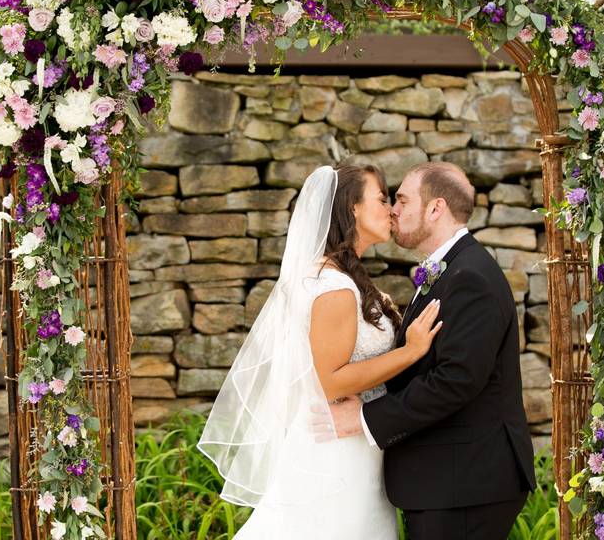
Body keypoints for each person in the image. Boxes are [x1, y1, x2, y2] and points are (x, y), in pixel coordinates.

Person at [198, 164, 441, 540]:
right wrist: (410, 353)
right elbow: (329, 381)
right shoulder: (334, 287)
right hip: (334, 454)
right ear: (353, 208)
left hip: (354, 446)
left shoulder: (340, 277)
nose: (391, 209)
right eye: (381, 198)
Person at [329, 162, 536, 540]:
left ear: (435, 209)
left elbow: (456, 380)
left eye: (403, 200)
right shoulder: (452, 268)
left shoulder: (470, 276)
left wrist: (366, 418)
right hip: (450, 480)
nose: (394, 209)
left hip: (466, 482)